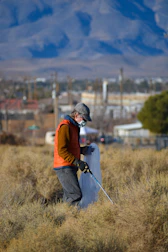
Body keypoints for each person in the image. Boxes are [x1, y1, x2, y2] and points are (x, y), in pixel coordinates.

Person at [53, 103, 92, 206]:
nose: (85, 121)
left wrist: (83, 150)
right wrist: (78, 162)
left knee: (69, 196)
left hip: (70, 166)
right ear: (76, 115)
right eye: (84, 118)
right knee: (75, 195)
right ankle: (73, 219)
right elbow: (62, 150)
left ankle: (66, 218)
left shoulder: (74, 127)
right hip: (64, 166)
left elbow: (72, 147)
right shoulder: (65, 126)